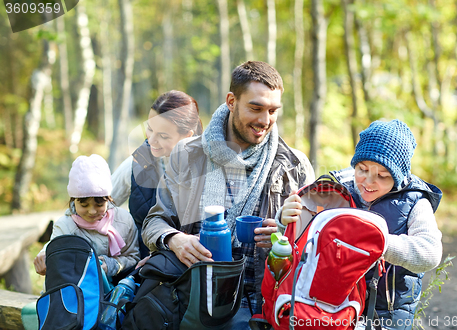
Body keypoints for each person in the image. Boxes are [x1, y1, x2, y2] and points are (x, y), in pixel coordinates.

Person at [142, 60, 315, 328]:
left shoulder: (294, 165)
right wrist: (175, 240)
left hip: (261, 302)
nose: (264, 120)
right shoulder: (187, 154)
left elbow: (314, 249)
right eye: (255, 108)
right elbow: (154, 222)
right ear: (231, 100)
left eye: (273, 110)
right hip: (192, 293)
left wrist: (284, 240)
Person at [280, 119, 443, 330]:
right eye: (362, 169)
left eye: (382, 176)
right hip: (334, 309)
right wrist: (284, 219)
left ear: (399, 177)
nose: (368, 181)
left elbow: (430, 253)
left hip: (387, 316)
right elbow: (302, 241)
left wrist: (380, 244)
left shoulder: (415, 202)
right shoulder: (338, 191)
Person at [111, 90, 202, 259]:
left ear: (188, 136)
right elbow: (94, 203)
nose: (151, 140)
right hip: (144, 272)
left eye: (163, 136)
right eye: (150, 129)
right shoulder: (136, 164)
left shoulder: (208, 168)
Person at [34, 154, 140, 282]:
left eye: (99, 204)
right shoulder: (65, 225)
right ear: (73, 200)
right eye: (84, 205)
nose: (92, 211)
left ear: (108, 199)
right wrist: (45, 258)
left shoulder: (124, 221)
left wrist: (112, 265)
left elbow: (134, 258)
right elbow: (55, 249)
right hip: (76, 293)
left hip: (113, 292)